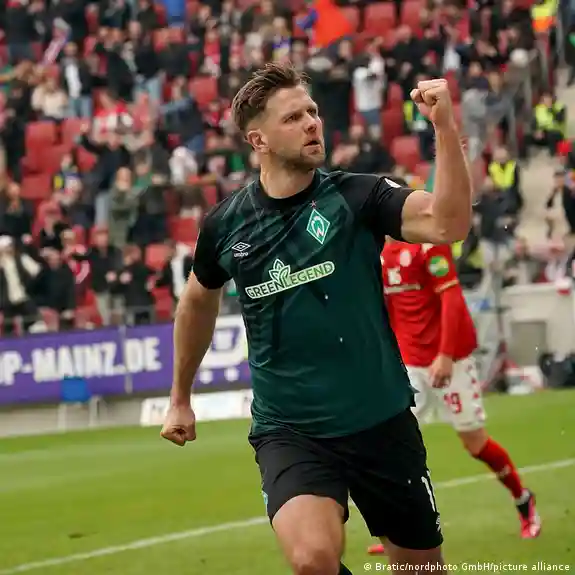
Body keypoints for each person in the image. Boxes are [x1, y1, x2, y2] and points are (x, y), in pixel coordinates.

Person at [160, 62, 473, 575]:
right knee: (312, 560)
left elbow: (449, 223)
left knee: (421, 569)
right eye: (293, 117)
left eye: (312, 112)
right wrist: (180, 397)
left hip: (380, 420)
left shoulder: (359, 195)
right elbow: (197, 301)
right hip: (291, 430)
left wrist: (443, 126)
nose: (311, 123)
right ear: (258, 140)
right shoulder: (226, 225)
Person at [367, 239, 541, 556]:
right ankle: (402, 533)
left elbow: (451, 297)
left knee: (475, 444)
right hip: (411, 365)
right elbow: (388, 310)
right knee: (395, 447)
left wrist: (445, 354)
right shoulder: (380, 251)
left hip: (451, 361)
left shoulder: (428, 245)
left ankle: (523, 499)